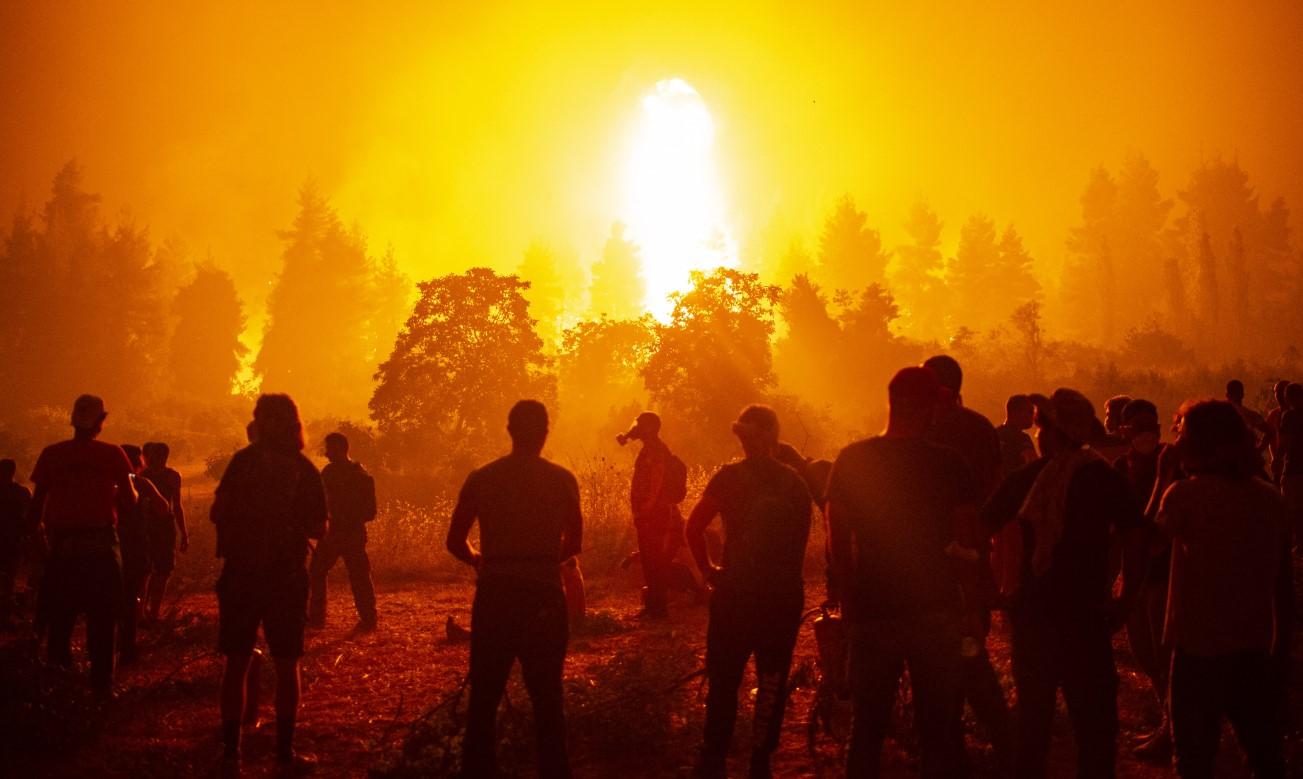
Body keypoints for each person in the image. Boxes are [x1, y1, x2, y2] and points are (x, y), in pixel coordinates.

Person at [981, 389, 1146, 779]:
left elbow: (977, 530)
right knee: (1095, 728)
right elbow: (1137, 539)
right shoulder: (1104, 478)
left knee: (1033, 726)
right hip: (1086, 618)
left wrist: (992, 590)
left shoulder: (1027, 480)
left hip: (1033, 617)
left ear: (1049, 433)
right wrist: (1125, 599)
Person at [827, 366, 975, 778]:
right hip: (937, 610)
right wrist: (971, 607)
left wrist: (850, 605)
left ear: (891, 403)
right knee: (938, 729)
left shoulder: (854, 460)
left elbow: (837, 543)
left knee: (867, 726)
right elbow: (967, 544)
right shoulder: (949, 464)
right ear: (928, 408)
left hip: (874, 611)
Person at [448, 400, 583, 779]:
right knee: (547, 699)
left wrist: (481, 559)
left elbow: (455, 540)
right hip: (543, 594)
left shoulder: (483, 478)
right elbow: (574, 542)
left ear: (509, 430)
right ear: (545, 433)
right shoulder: (561, 480)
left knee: (485, 698)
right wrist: (540, 560)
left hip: (497, 595)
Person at [1156, 400, 1289, 779]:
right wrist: (1279, 657)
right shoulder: (1269, 498)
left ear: (1199, 442)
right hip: (1253, 648)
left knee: (1193, 759)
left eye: (1180, 432)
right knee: (1264, 755)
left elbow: (1147, 543)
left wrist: (1162, 477)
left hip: (1197, 650)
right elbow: (1284, 591)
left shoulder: (1184, 495)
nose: (1174, 441)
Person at [685, 405, 813, 779]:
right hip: (782, 596)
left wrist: (710, 571)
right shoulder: (795, 484)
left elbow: (693, 528)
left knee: (724, 680)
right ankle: (760, 762)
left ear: (742, 437)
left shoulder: (728, 478)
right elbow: (799, 546)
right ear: (774, 435)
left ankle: (713, 759)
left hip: (736, 594)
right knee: (772, 680)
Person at [210, 394, 327, 771]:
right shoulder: (303, 468)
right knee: (288, 661)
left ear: (260, 422)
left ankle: (232, 753)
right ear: (295, 423)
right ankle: (283, 753)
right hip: (286, 575)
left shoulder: (243, 462)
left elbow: (218, 511)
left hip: (241, 573)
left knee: (237, 661)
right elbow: (319, 527)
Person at [923, 355, 1013, 770]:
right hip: (974, 548)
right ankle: (998, 736)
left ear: (939, 388)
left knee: (944, 642)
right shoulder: (980, 427)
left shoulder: (924, 428)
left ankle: (955, 735)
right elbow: (997, 484)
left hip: (931, 552)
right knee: (970, 634)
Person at [28, 395, 135, 697]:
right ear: (101, 422)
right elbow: (129, 501)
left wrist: (42, 549)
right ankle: (102, 687)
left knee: (60, 621)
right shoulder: (113, 454)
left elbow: (36, 510)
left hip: (63, 550)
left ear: (73, 420)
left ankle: (58, 686)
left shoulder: (51, 454)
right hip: (101, 549)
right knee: (103, 620)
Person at [1111, 399, 1172, 760]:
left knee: (1165, 653)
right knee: (1144, 652)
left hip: (1166, 570)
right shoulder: (1121, 467)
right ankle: (1169, 719)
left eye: (1152, 429)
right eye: (1139, 431)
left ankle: (1172, 726)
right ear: (1126, 433)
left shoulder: (1173, 464)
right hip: (1133, 571)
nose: (1147, 436)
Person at [308, 432, 378, 631]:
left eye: (329, 448)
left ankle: (317, 619)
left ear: (339, 447)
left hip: (340, 533)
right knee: (357, 576)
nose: (327, 453)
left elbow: (368, 510)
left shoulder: (340, 474)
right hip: (346, 533)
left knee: (322, 572)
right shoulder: (356, 473)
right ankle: (369, 619)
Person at [620, 411, 686, 619]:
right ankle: (653, 608)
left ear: (649, 427)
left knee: (655, 560)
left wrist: (647, 506)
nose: (636, 427)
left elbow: (657, 477)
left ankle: (658, 609)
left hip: (654, 514)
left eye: (640, 424)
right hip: (651, 513)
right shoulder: (651, 447)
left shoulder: (656, 449)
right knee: (650, 560)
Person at [117, 444, 169, 665]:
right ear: (138, 462)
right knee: (133, 595)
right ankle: (127, 647)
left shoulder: (105, 483)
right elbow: (163, 508)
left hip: (111, 544)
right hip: (136, 544)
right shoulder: (142, 482)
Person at [140, 441, 188, 623]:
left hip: (163, 527)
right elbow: (177, 506)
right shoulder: (143, 476)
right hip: (148, 527)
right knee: (150, 570)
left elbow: (177, 506)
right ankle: (145, 611)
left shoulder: (170, 476)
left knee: (162, 570)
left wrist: (184, 532)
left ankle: (151, 612)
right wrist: (184, 533)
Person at [0, 459, 32, 630]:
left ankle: (5, 616)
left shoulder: (20, 493)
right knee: (9, 580)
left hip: (11, 541)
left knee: (8, 580)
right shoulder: (21, 492)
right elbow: (31, 518)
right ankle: (4, 617)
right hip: (13, 541)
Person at [1278, 383, 1303, 546]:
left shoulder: (1289, 416)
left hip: (1294, 467)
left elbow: (1285, 443)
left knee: (1292, 508)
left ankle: (1298, 542)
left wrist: (1277, 459)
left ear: (1288, 397)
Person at [996, 394, 1038, 477]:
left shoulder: (994, 434)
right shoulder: (1023, 439)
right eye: (1030, 411)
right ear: (1015, 412)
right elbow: (1035, 467)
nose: (1033, 416)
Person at [1226, 379, 1271, 453]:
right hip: (1244, 456)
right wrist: (1258, 450)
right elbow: (1269, 432)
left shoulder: (1219, 414)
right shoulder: (1249, 414)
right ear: (1242, 394)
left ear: (1227, 395)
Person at [1266, 380, 1290, 482]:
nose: (1278, 395)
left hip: (1293, 467)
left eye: (1281, 392)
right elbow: (1267, 437)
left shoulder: (1296, 416)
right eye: (1276, 392)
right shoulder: (1273, 414)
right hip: (1278, 468)